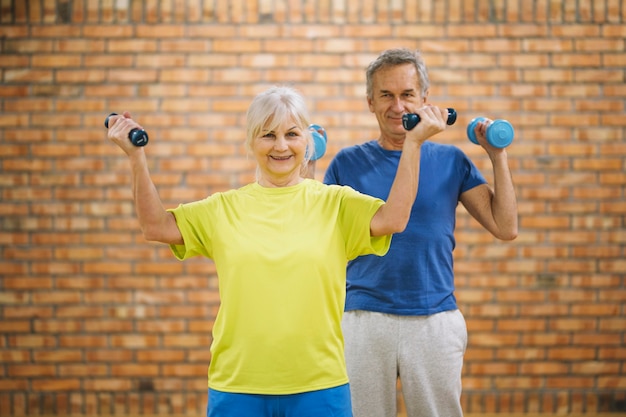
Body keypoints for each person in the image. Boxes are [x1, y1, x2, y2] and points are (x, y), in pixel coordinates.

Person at [106, 85, 453, 417]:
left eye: (291, 134)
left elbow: (394, 218)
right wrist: (136, 157)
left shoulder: (335, 203)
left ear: (307, 140)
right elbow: (156, 226)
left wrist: (414, 144)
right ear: (250, 142)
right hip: (238, 385)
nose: (281, 146)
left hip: (320, 385)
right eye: (268, 135)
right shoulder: (223, 208)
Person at [324, 48, 518, 417]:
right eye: (386, 95)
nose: (398, 106)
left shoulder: (451, 161)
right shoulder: (347, 163)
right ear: (370, 102)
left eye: (407, 94)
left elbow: (506, 227)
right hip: (363, 318)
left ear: (424, 100)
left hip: (434, 320)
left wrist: (498, 156)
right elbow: (318, 235)